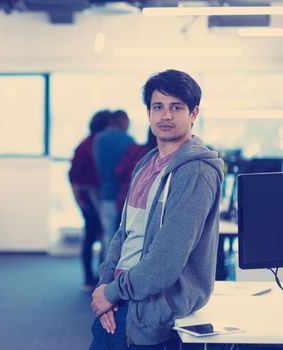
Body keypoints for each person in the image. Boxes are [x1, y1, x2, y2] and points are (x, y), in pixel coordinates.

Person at [89, 69, 224, 349]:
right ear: (148, 113)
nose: (166, 116)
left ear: (193, 113)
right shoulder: (146, 164)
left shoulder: (195, 172)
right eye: (158, 107)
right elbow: (123, 234)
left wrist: (112, 294)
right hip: (121, 296)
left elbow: (166, 260)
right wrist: (105, 287)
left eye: (176, 107)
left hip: (150, 307)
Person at [69, 110, 110, 291]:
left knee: (96, 235)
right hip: (90, 197)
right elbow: (74, 177)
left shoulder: (91, 142)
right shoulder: (91, 144)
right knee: (94, 236)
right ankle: (90, 278)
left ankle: (93, 278)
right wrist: (79, 200)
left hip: (93, 197)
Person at [94, 110, 135, 258]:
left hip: (106, 193)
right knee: (122, 239)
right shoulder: (128, 140)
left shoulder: (99, 140)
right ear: (122, 121)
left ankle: (103, 274)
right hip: (124, 196)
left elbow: (98, 168)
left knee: (107, 236)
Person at [115, 128, 157, 215]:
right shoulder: (165, 157)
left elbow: (119, 172)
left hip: (127, 200)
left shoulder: (135, 150)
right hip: (150, 207)